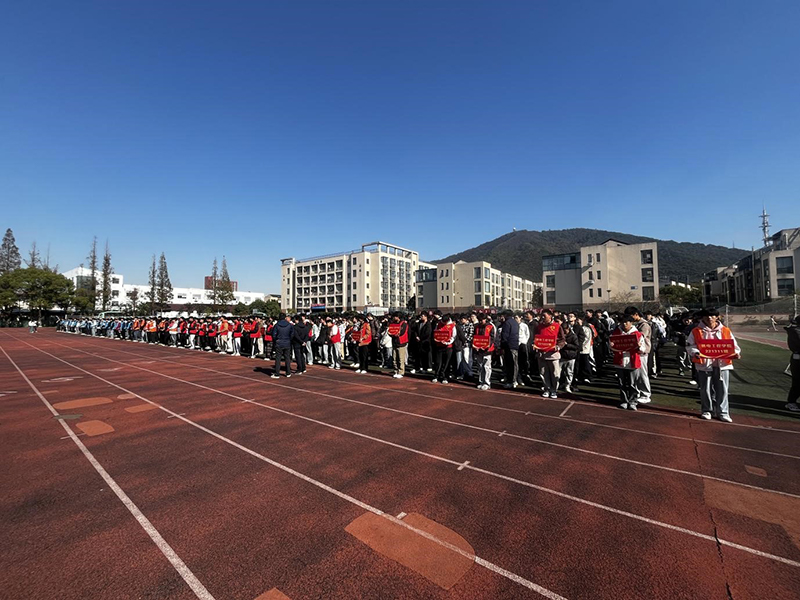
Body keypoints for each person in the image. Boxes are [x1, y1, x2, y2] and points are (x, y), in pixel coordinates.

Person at [687, 308, 741, 422]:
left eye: (712, 316)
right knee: (705, 389)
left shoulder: (725, 330)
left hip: (723, 364)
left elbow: (734, 345)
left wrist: (736, 353)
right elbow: (690, 345)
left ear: (717, 317)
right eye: (706, 316)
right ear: (702, 318)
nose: (709, 318)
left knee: (723, 389)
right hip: (705, 364)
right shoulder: (696, 331)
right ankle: (707, 410)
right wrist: (695, 353)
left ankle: (723, 412)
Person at [612, 315, 648, 411]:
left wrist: (639, 346)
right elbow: (612, 347)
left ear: (631, 323)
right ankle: (624, 400)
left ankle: (633, 401)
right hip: (620, 361)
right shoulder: (616, 333)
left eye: (626, 322)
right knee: (622, 383)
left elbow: (643, 349)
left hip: (632, 361)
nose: (624, 324)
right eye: (622, 322)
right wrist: (612, 346)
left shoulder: (637, 334)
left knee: (633, 383)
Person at [534, 309, 566, 398]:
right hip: (541, 354)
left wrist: (558, 346)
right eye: (542, 316)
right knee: (543, 373)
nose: (542, 317)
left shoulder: (557, 326)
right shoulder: (539, 326)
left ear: (550, 316)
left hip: (553, 354)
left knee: (555, 373)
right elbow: (536, 337)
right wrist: (535, 344)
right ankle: (546, 389)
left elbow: (562, 339)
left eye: (544, 316)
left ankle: (554, 390)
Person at [472, 313, 496, 390]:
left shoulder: (490, 326)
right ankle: (481, 381)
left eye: (482, 320)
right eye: (479, 320)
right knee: (480, 366)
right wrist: (475, 345)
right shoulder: (477, 327)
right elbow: (474, 337)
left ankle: (487, 382)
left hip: (487, 350)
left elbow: (492, 338)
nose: (480, 321)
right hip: (478, 349)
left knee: (486, 366)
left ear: (485, 319)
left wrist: (486, 346)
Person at [432, 312, 456, 384]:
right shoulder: (439, 324)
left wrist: (447, 342)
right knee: (438, 362)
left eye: (445, 322)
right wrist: (436, 338)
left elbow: (453, 336)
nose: (443, 323)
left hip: (448, 347)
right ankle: (436, 376)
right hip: (439, 346)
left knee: (446, 363)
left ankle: (445, 377)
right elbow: (435, 332)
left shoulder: (452, 326)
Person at [499, 311, 520, 389]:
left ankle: (510, 381)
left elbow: (505, 336)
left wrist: (502, 347)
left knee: (509, 364)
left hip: (508, 346)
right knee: (515, 364)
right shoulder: (515, 322)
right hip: (515, 345)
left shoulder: (507, 323)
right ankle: (514, 380)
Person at [784, 316, 800, 412]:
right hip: (798, 359)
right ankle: (791, 402)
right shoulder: (796, 331)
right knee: (798, 382)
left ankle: (792, 402)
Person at [271, 313, 294, 378]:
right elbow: (292, 334)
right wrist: (289, 339)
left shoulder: (277, 325)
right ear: (285, 318)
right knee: (287, 358)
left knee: (278, 358)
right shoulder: (289, 325)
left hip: (279, 342)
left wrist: (276, 340)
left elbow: (273, 335)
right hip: (287, 342)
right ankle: (288, 372)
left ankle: (277, 373)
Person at [388, 313, 409, 378]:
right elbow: (390, 330)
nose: (393, 318)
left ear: (398, 317)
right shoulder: (393, 323)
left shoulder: (404, 324)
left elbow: (402, 332)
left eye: (395, 316)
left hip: (401, 343)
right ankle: (396, 371)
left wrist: (396, 333)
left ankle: (401, 372)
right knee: (394, 358)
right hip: (394, 342)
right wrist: (390, 333)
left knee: (400, 358)